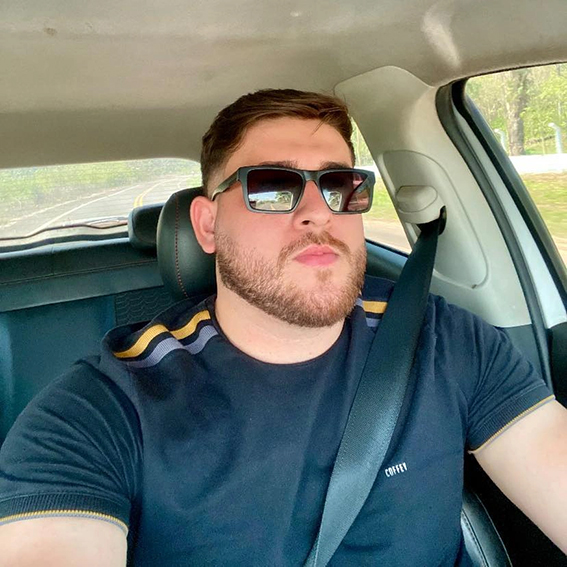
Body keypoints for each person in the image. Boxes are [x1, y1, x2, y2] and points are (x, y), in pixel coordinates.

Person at [0, 89, 566, 566]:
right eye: (272, 187)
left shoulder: (443, 340)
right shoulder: (103, 409)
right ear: (208, 225)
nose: (318, 211)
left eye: (340, 186)